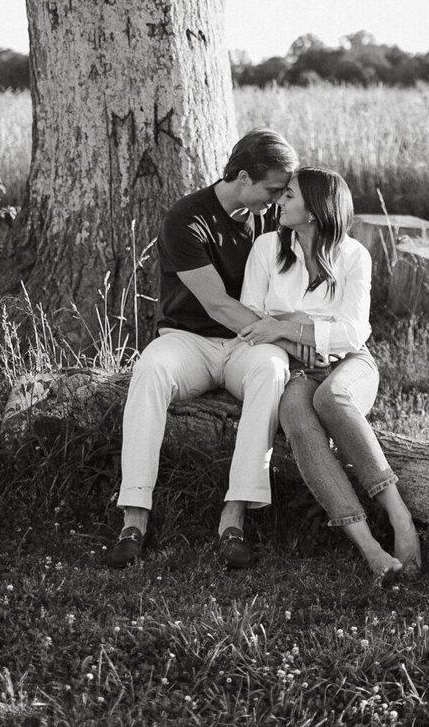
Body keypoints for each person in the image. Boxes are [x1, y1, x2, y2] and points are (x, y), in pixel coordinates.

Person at [105, 128, 298, 570]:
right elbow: (217, 305)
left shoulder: (271, 218)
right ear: (244, 177)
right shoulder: (187, 218)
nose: (279, 199)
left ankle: (235, 515)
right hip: (188, 341)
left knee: (271, 370)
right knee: (150, 369)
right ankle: (134, 515)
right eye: (273, 189)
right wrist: (292, 340)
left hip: (247, 345)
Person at [236, 166, 421, 584]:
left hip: (351, 363)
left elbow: (353, 332)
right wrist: (296, 335)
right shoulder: (267, 248)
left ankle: (400, 517)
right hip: (294, 366)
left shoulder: (355, 256)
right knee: (299, 421)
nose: (279, 201)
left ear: (316, 209)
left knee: (331, 397)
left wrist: (288, 323)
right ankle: (370, 547)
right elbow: (252, 321)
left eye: (289, 196)